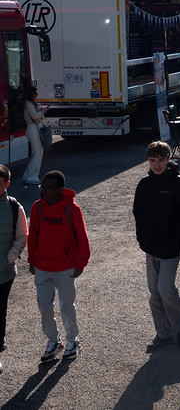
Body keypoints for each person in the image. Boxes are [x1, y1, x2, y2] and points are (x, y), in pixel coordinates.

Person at [133, 142, 180, 349]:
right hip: (151, 248)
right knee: (154, 292)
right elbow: (138, 213)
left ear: (169, 159)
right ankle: (163, 332)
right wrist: (142, 239)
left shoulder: (178, 184)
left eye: (160, 160)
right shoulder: (144, 184)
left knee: (166, 288)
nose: (156, 165)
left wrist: (177, 240)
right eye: (152, 161)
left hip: (170, 248)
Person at [28, 170, 91, 361]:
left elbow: (82, 238)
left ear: (60, 190)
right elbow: (34, 235)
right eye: (42, 187)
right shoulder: (38, 207)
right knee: (44, 307)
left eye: (48, 188)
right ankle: (53, 341)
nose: (44, 191)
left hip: (65, 267)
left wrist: (81, 264)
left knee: (67, 306)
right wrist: (32, 260)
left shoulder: (72, 209)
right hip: (42, 267)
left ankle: (73, 340)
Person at [0, 165, 26, 373]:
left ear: (7, 184)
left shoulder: (14, 207)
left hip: (4, 272)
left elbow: (20, 238)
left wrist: (8, 260)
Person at [22, 86, 47, 185]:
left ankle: (27, 175)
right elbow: (35, 116)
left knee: (37, 153)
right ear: (31, 94)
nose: (36, 96)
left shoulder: (28, 103)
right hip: (33, 128)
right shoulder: (28, 103)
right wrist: (42, 112)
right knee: (38, 153)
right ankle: (32, 176)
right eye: (35, 94)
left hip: (33, 128)